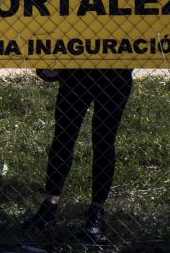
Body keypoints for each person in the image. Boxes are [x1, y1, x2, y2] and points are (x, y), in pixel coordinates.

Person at [23, 68, 134, 239]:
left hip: (114, 76)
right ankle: (50, 205)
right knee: (63, 138)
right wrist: (47, 67)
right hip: (76, 75)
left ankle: (96, 212)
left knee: (103, 142)